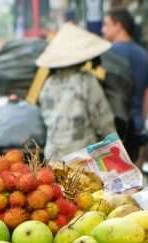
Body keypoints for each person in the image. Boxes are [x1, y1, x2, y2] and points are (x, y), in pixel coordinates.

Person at [36, 23, 117, 162]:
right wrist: (114, 146)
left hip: (53, 155)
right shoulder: (86, 80)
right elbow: (103, 119)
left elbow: (46, 116)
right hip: (82, 156)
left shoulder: (49, 83)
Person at [102, 8, 148, 162]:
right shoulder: (144, 54)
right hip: (137, 126)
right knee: (135, 178)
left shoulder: (107, 54)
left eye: (106, 25)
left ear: (119, 26)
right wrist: (142, 121)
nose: (102, 29)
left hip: (113, 130)